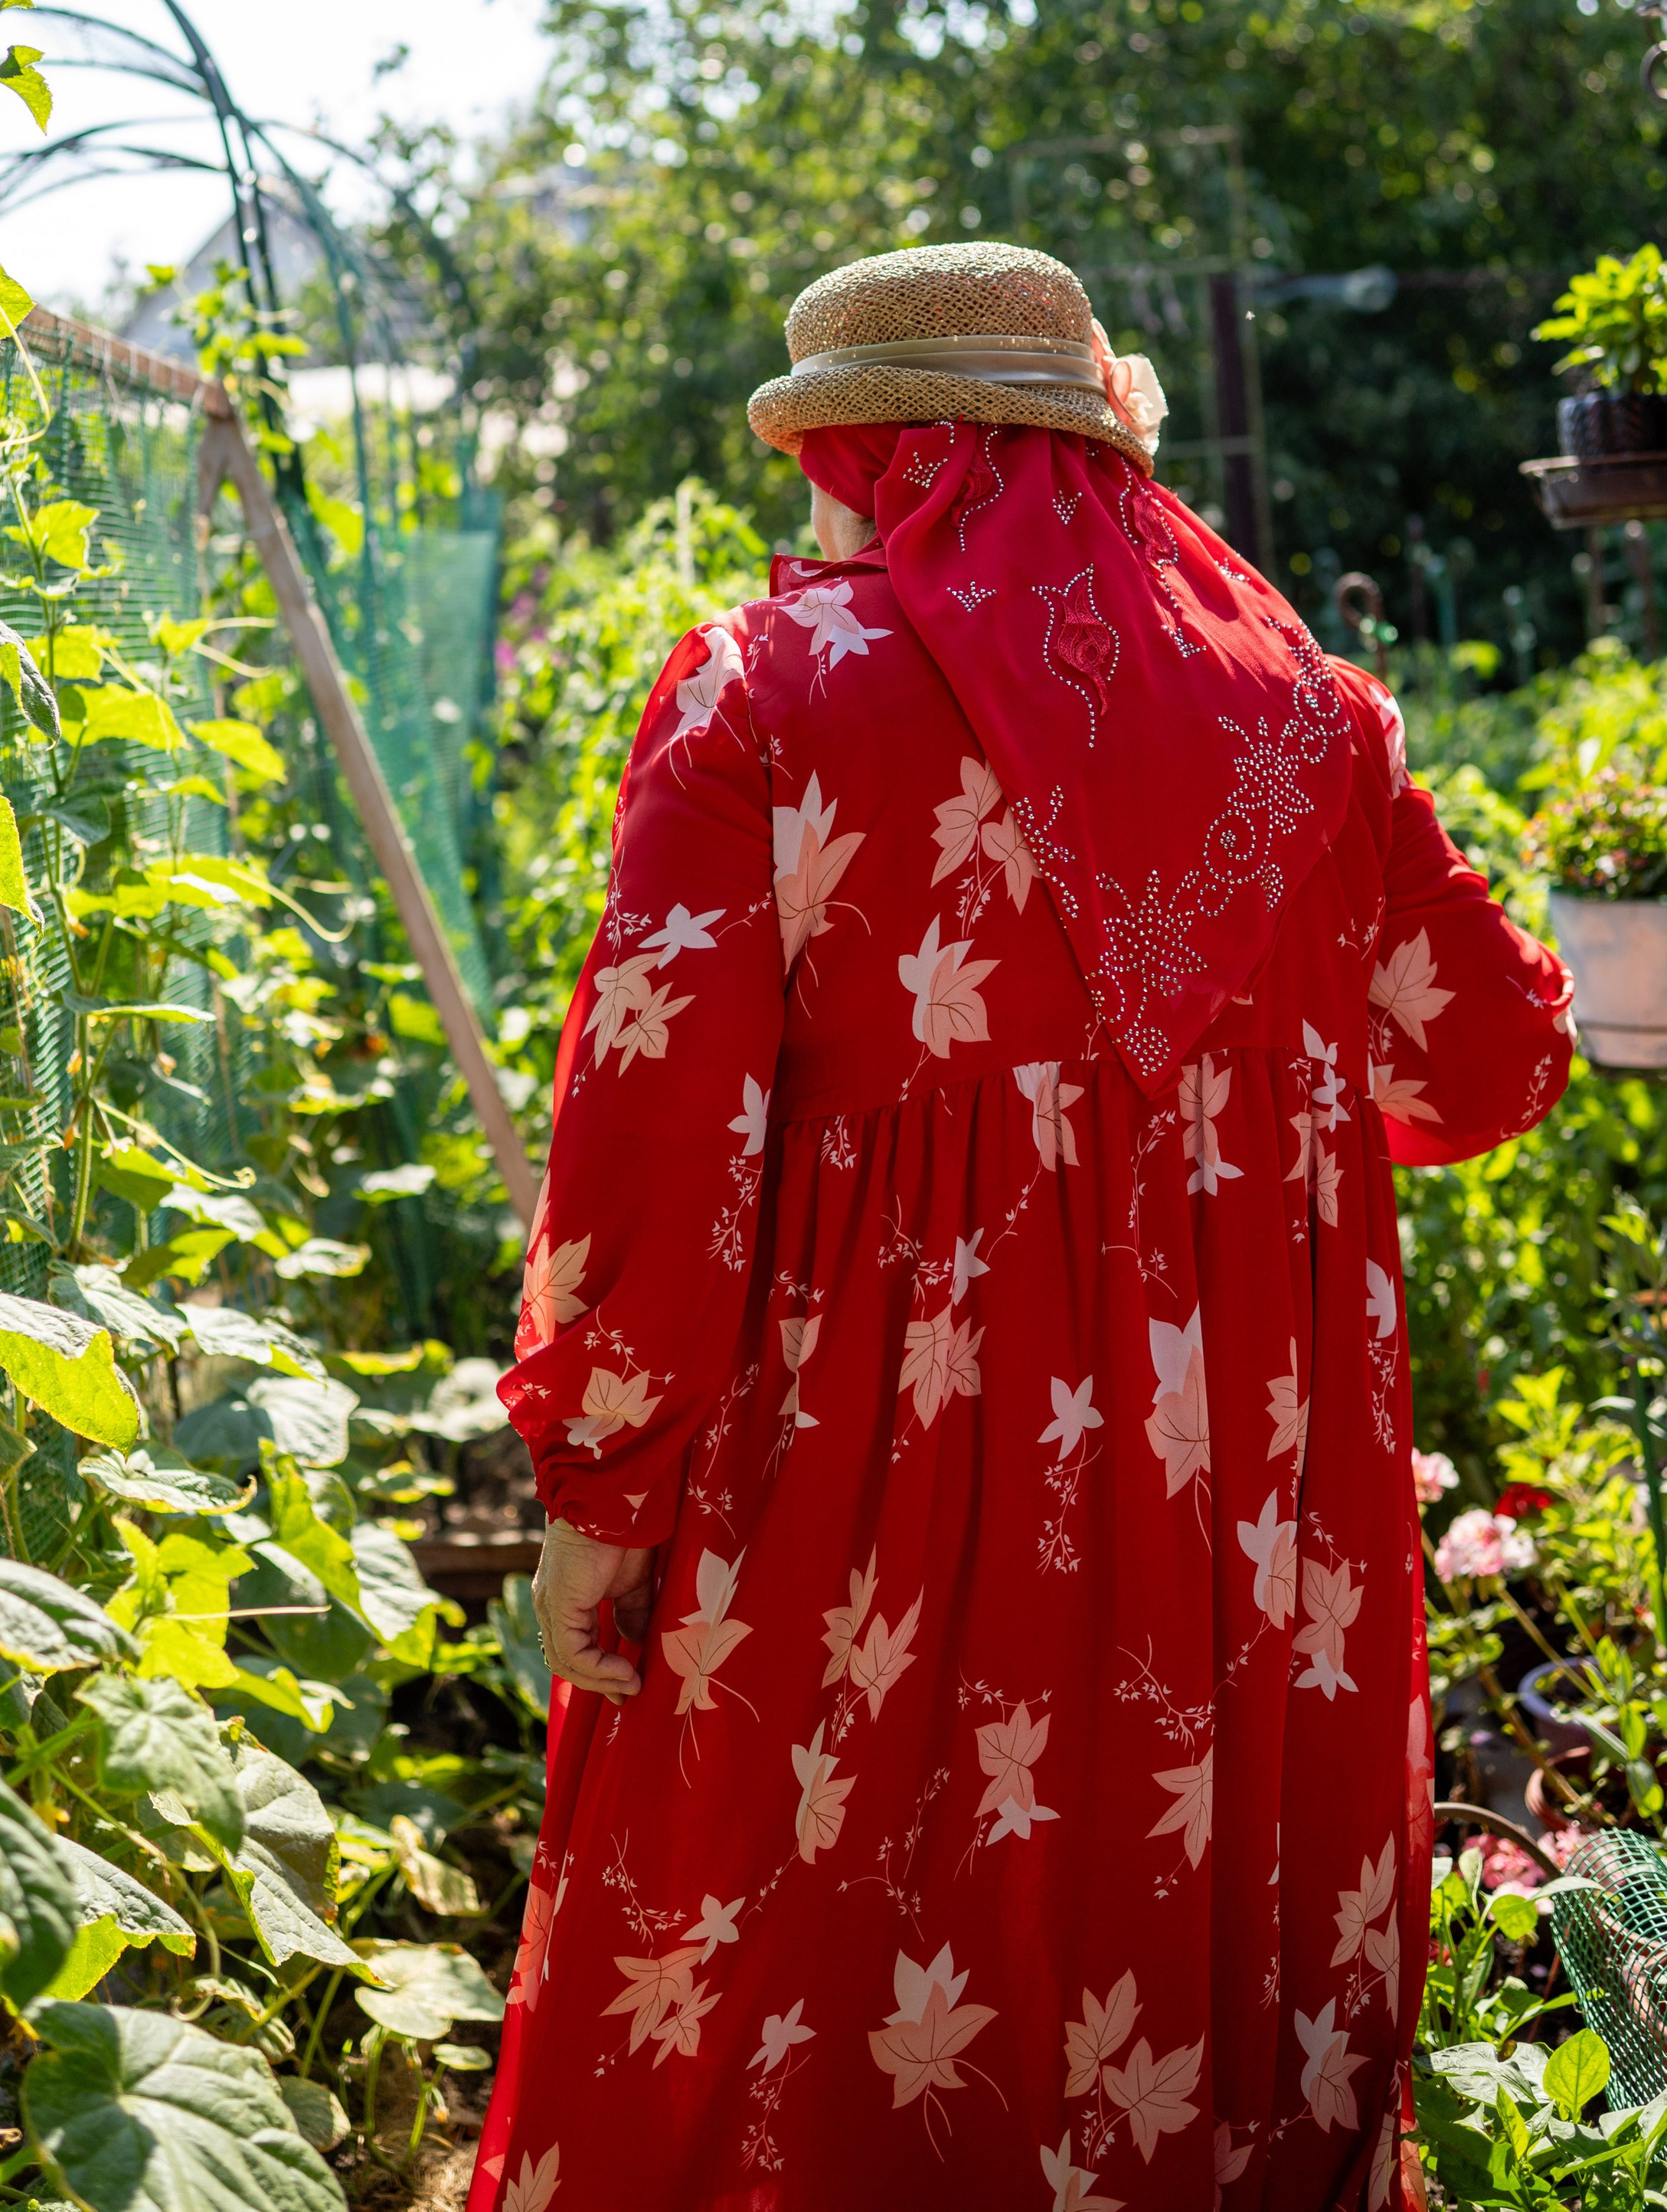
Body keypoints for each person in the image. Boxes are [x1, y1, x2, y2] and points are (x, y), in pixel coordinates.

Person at [469, 242, 1572, 2212]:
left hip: (883, 1477)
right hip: (1252, 1502)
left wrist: (597, 1491)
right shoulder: (1309, 725)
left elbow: (658, 1128)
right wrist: (1241, 1106)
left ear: (882, 465)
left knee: (825, 1954)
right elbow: (1480, 1066)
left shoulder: (767, 692)